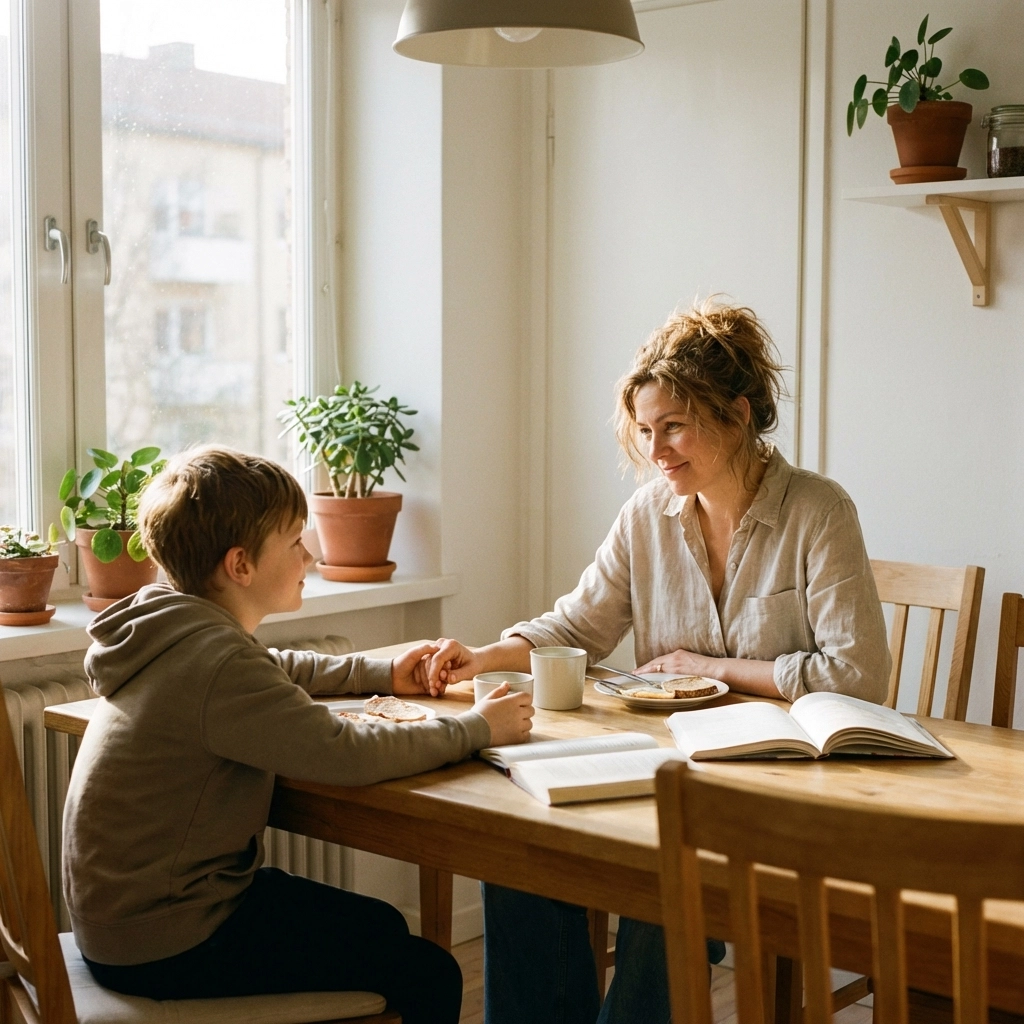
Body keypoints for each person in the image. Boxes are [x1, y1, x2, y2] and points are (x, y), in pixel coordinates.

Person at [424, 300, 891, 1024]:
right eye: (645, 431)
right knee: (514, 855)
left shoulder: (819, 511)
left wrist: (717, 666)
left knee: (663, 887)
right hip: (666, 770)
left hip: (783, 784)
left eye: (673, 426)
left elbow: (855, 677)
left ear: (737, 415)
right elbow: (577, 624)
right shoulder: (647, 516)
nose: (656, 450)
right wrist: (478, 657)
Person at [62, 445, 533, 1024]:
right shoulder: (216, 663)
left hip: (127, 920)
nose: (308, 556)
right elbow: (348, 753)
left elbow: (274, 665)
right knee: (429, 972)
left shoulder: (172, 624)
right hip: (168, 938)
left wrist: (384, 671)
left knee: (381, 925)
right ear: (241, 565)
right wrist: (477, 727)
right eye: (294, 542)